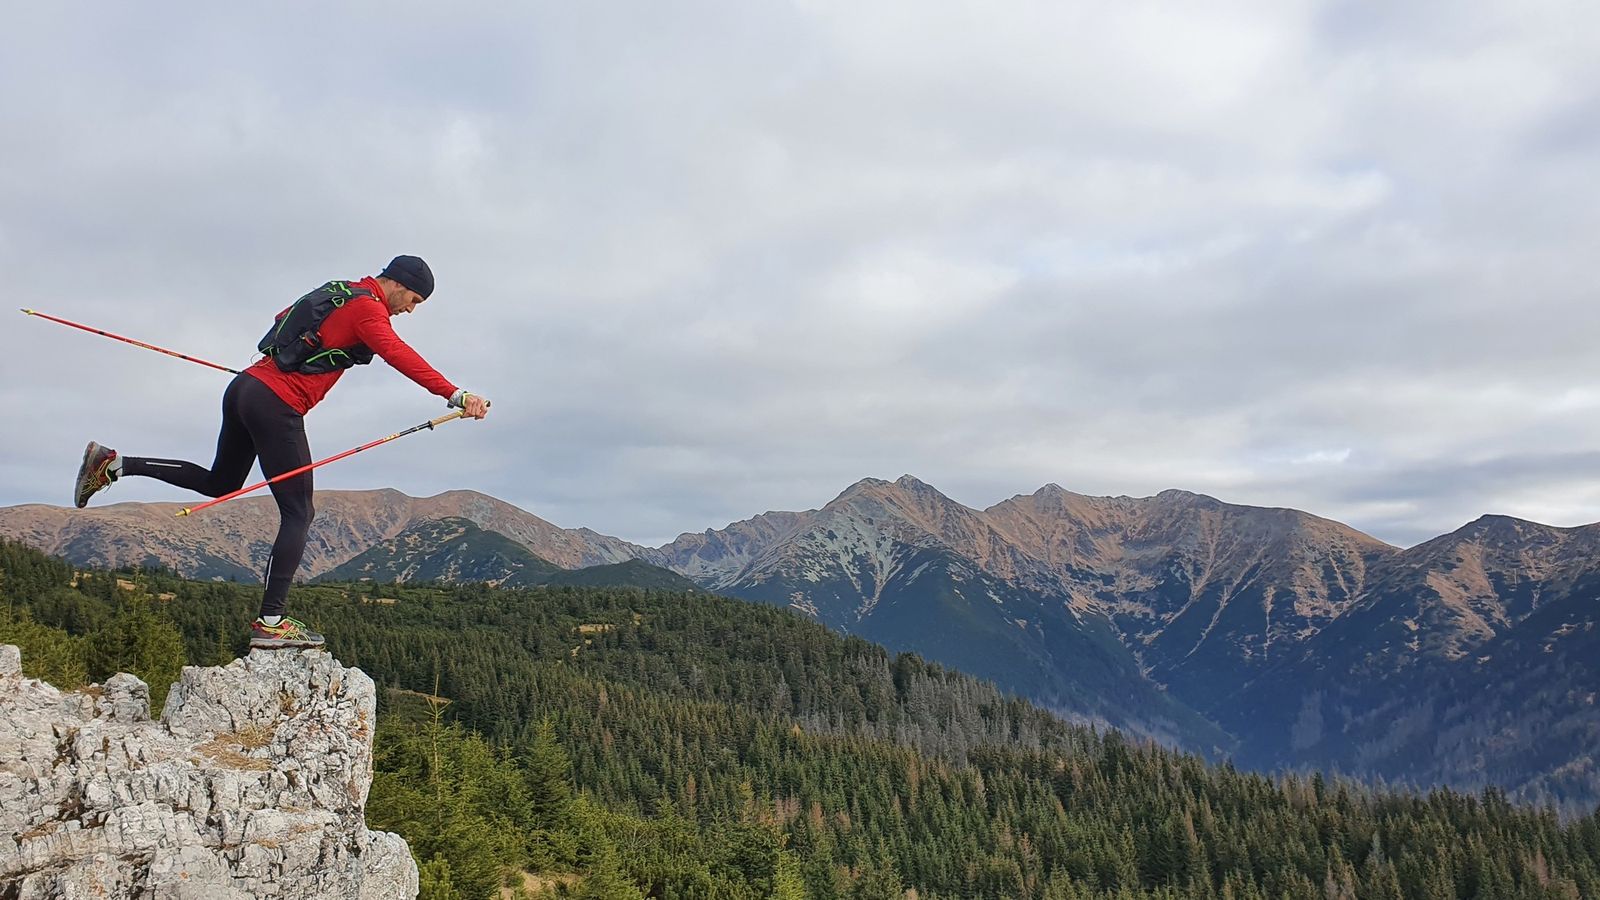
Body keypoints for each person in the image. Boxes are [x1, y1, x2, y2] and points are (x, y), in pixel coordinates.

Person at [71, 255, 490, 649]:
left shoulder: (340, 290)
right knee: (299, 513)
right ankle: (271, 623)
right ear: (397, 283)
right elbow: (397, 353)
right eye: (413, 300)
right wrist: (456, 394)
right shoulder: (369, 310)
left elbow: (281, 322)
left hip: (246, 388)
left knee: (222, 482)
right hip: (276, 402)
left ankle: (115, 463)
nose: (411, 310)